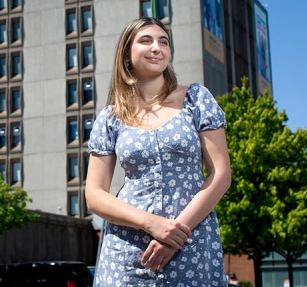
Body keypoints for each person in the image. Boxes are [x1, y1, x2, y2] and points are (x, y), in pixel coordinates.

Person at [85, 17, 232, 286]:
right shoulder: (110, 118)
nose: (157, 47)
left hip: (192, 242)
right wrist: (150, 223)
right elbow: (94, 195)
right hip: (127, 252)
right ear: (126, 54)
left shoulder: (196, 100)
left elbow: (220, 175)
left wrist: (175, 235)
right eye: (146, 40)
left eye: (163, 42)